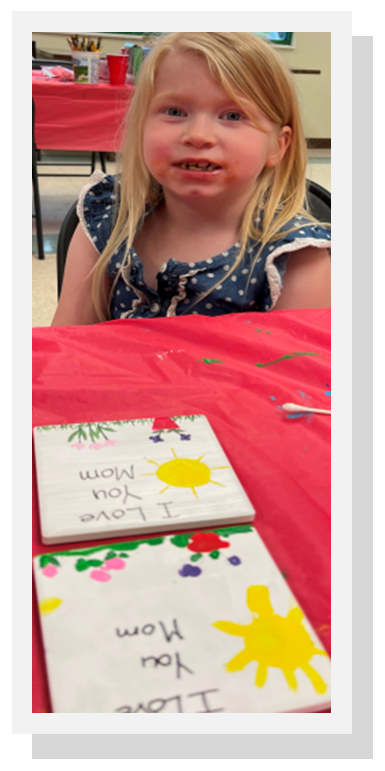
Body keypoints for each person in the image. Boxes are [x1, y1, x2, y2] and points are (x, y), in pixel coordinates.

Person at [51, 31, 331, 327]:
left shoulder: (295, 258)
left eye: (233, 116)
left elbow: (294, 369)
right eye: (174, 111)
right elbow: (67, 347)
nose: (198, 136)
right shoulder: (105, 222)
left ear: (278, 145)